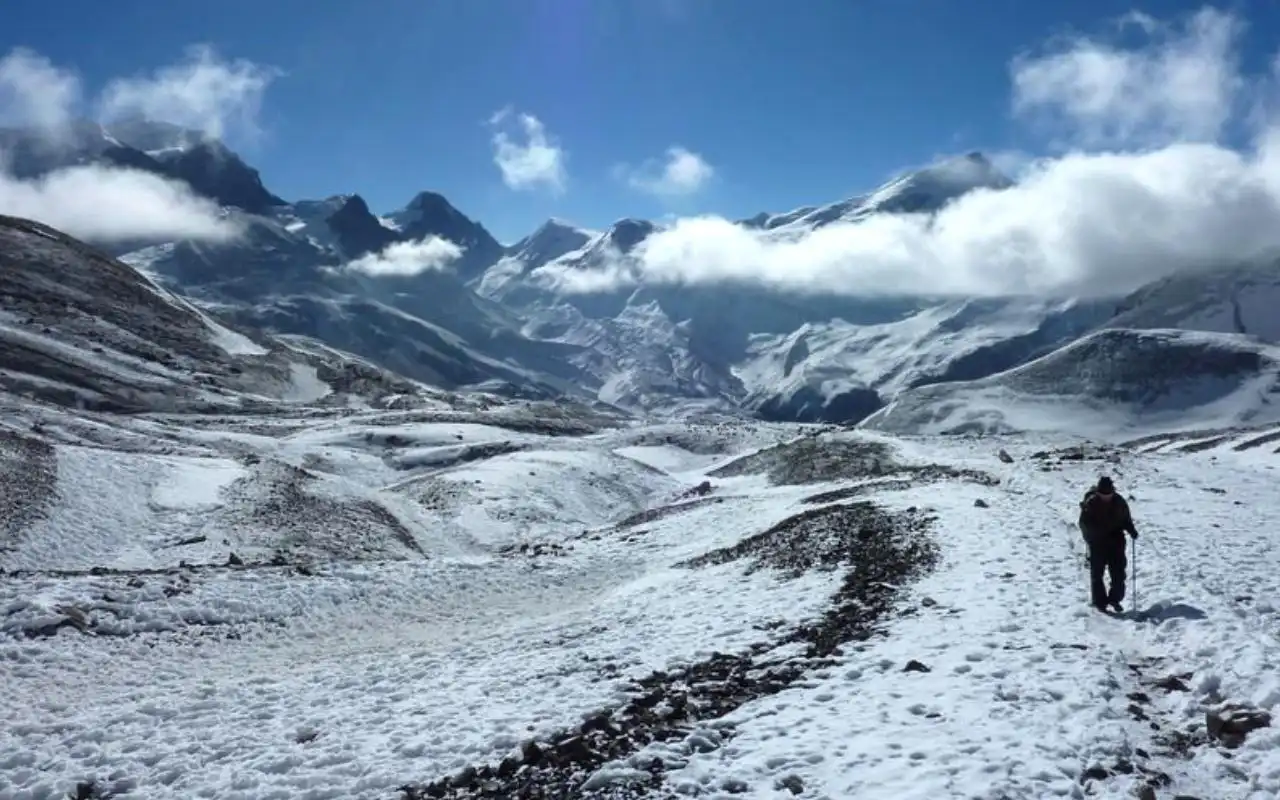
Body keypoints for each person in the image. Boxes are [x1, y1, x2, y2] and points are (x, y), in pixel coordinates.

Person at [1078, 476, 1138, 613]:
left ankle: (1114, 599)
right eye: (1103, 494)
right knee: (1097, 574)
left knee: (1118, 574)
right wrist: (1093, 537)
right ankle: (1100, 602)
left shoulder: (1119, 502)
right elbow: (1084, 524)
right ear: (1098, 492)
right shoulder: (1091, 503)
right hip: (1097, 543)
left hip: (1116, 542)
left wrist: (1132, 530)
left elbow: (1126, 520)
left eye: (1109, 494)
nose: (1106, 497)